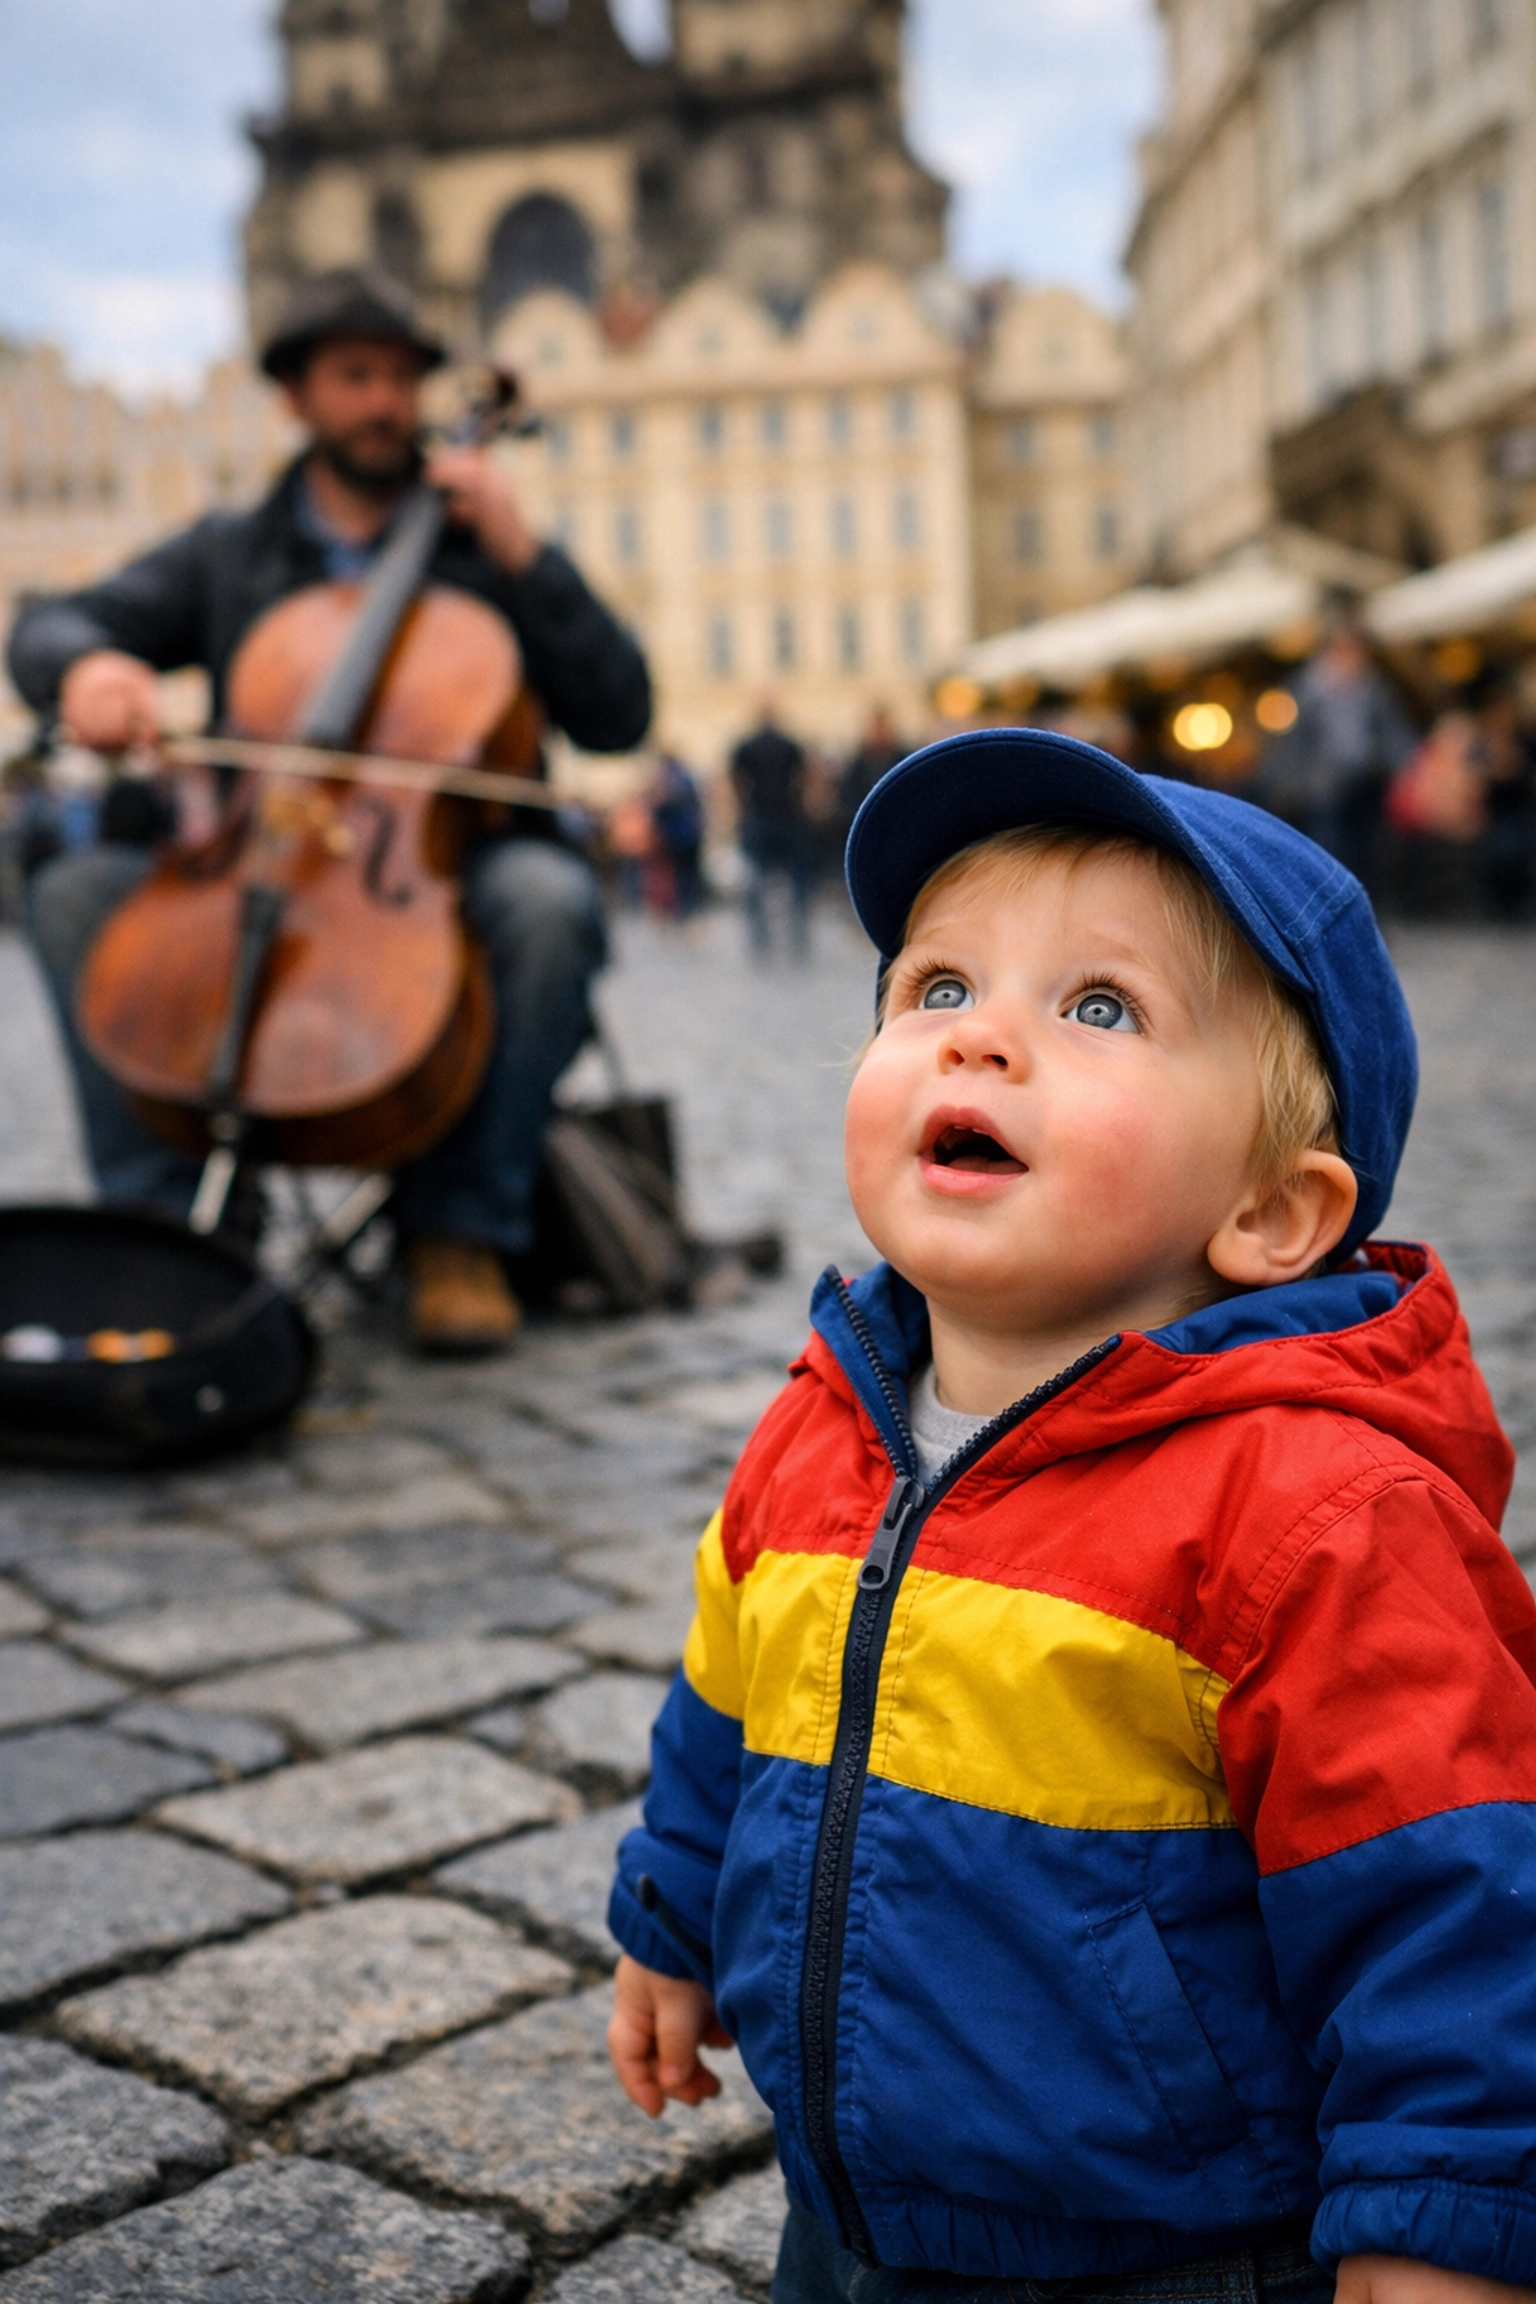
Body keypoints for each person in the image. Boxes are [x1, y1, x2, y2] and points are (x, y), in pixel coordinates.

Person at [606, 725, 1536, 2304]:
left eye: (1099, 1007)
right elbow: (726, 1703)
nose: (977, 1043)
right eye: (937, 989)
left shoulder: (1321, 1516)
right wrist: (670, 1914)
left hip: (1179, 2252)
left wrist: (1436, 2223)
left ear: (1269, 1210)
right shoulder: (820, 1422)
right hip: (848, 2231)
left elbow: (1452, 1901)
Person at [7, 269, 650, 1353]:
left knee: (545, 900)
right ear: (295, 398)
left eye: (402, 377)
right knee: (76, 892)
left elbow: (620, 713)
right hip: (255, 853)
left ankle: (461, 1229)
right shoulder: (231, 550)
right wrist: (89, 671)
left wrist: (525, 558)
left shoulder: (480, 551)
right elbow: (53, 628)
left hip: (438, 871)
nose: (385, 403)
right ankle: (165, 1219)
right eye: (355, 377)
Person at [730, 701, 813, 958]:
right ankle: (798, 935)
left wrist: (743, 804)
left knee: (755, 880)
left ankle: (761, 939)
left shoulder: (748, 745)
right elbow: (805, 774)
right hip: (787, 816)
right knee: (797, 879)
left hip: (759, 816)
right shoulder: (789, 744)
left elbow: (736, 776)